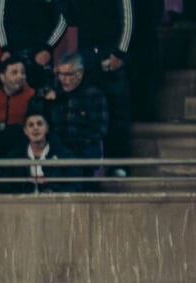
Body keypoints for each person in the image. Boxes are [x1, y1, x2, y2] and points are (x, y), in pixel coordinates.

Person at [63, 0, 133, 176]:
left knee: (117, 111)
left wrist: (120, 52)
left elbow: (128, 19)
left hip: (111, 52)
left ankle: (118, 164)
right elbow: (69, 14)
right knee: (85, 110)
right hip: (86, 52)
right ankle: (85, 166)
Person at [46, 52, 108, 178]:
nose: (64, 79)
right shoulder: (54, 95)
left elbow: (100, 129)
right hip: (58, 153)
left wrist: (78, 146)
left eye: (68, 74)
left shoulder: (94, 95)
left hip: (84, 153)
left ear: (80, 73)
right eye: (61, 74)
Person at [2, 110, 80, 193]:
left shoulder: (64, 155)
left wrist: (54, 193)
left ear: (47, 128)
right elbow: (4, 187)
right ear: (25, 131)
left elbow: (75, 185)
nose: (35, 128)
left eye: (39, 124)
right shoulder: (15, 156)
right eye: (31, 125)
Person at [0, 0, 67, 89]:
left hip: (40, 55)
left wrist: (47, 48)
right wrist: (5, 49)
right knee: (14, 94)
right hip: (13, 55)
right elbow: (0, 22)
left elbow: (62, 21)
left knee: (41, 94)